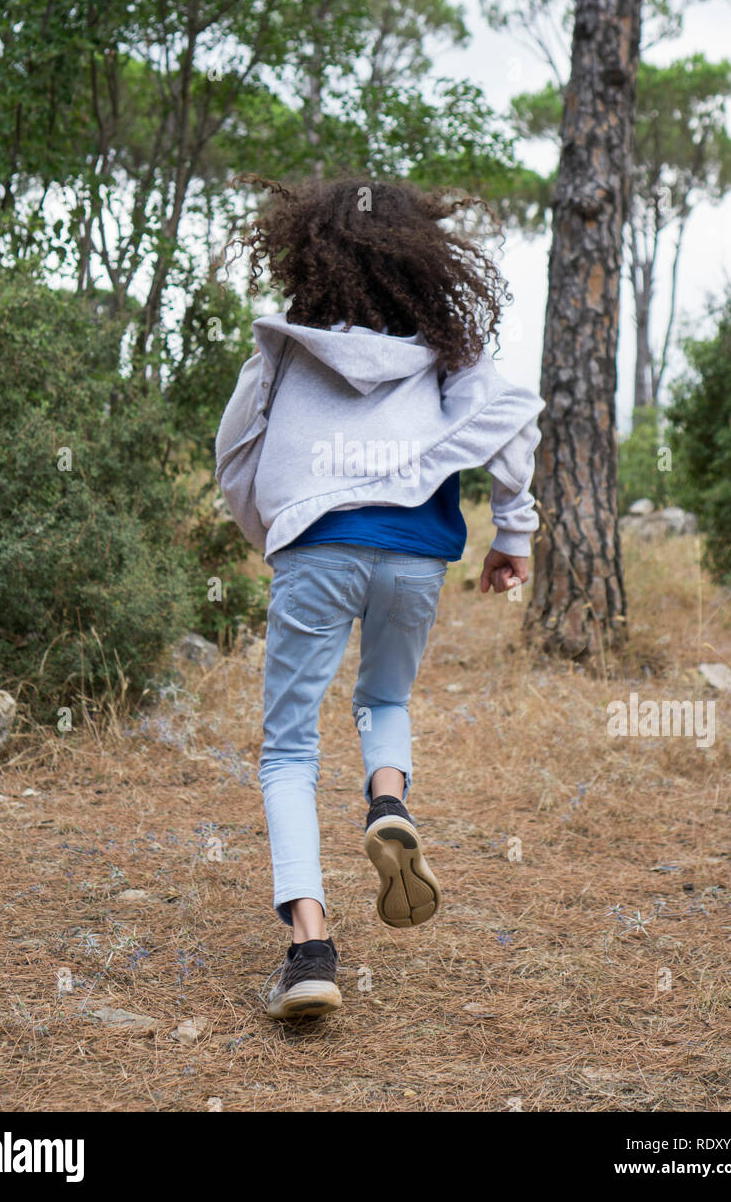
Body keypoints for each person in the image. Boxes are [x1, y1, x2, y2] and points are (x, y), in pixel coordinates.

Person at [215, 175, 543, 1020]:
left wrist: (278, 531)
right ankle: (387, 799)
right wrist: (514, 534)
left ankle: (311, 951)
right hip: (414, 552)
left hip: (316, 547)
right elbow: (511, 419)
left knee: (288, 750)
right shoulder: (445, 346)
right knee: (385, 696)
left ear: (308, 253)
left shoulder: (284, 347)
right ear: (425, 255)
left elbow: (237, 451)